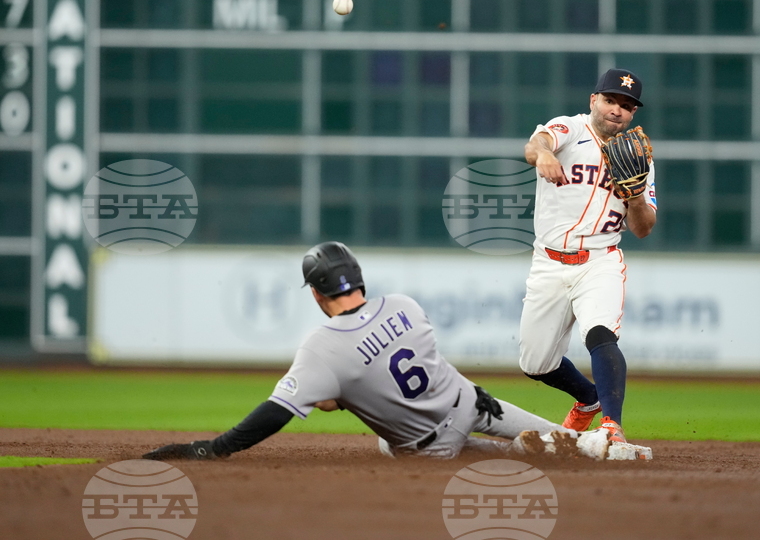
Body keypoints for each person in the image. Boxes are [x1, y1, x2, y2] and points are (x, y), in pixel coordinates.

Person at [143, 242, 592, 461]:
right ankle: (595, 445)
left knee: (388, 445)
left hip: (433, 445)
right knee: (567, 444)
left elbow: (276, 411)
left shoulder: (323, 349)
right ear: (359, 278)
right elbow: (420, 363)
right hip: (474, 401)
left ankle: (525, 452)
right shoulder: (404, 305)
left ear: (317, 295)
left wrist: (214, 449)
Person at [518, 68, 656, 445]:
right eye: (611, 100)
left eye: (627, 106)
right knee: (535, 364)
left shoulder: (638, 158)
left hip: (600, 258)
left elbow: (643, 228)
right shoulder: (570, 128)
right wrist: (543, 154)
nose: (617, 110)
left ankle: (612, 425)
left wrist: (636, 195)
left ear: (633, 115)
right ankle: (589, 398)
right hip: (548, 261)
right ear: (594, 100)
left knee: (600, 334)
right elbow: (536, 144)